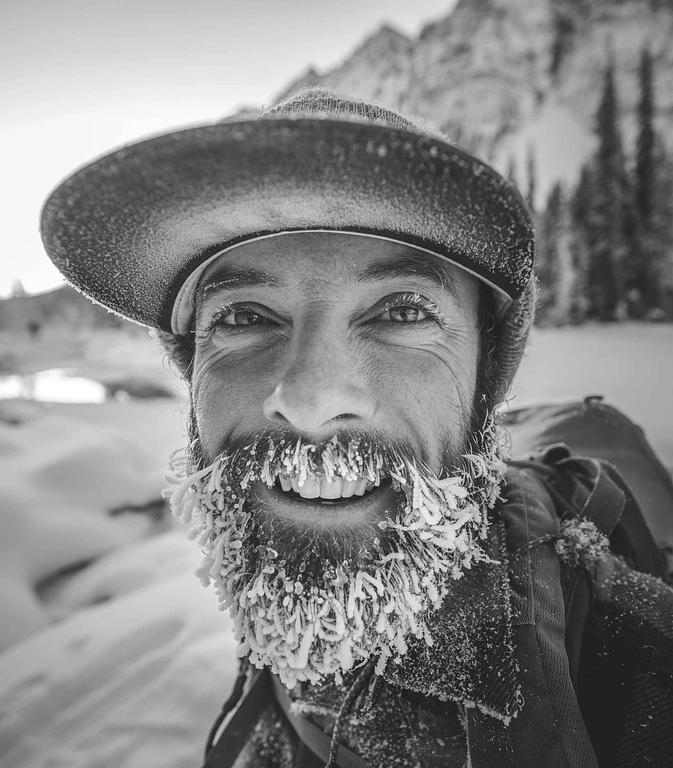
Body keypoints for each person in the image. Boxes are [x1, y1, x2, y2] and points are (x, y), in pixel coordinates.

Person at [41, 89, 673, 768]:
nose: (309, 401)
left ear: (485, 375)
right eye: (243, 317)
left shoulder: (641, 665)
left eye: (402, 312)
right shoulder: (272, 594)